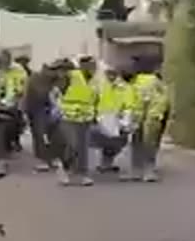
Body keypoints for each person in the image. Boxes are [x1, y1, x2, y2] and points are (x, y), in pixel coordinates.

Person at [58, 56, 98, 187]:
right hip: (69, 116)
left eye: (94, 66)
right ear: (82, 66)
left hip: (85, 118)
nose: (93, 69)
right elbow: (59, 90)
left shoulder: (94, 80)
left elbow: (95, 97)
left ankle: (82, 174)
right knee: (72, 145)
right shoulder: (72, 76)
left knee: (82, 147)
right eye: (90, 66)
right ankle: (65, 169)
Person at [130, 57, 171, 182]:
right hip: (152, 117)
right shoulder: (157, 82)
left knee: (136, 142)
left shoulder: (133, 81)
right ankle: (149, 170)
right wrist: (157, 115)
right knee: (150, 143)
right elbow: (162, 100)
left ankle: (136, 170)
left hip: (136, 116)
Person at [95, 65, 137, 178]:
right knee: (106, 141)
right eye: (108, 73)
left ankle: (106, 163)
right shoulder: (102, 86)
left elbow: (129, 104)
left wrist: (126, 120)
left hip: (116, 118)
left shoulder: (124, 88)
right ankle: (105, 163)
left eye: (112, 73)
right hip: (103, 117)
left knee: (116, 142)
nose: (110, 76)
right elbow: (96, 98)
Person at [24, 61, 63, 171]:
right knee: (40, 135)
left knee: (55, 134)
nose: (55, 72)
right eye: (52, 70)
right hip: (36, 109)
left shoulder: (58, 79)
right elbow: (33, 94)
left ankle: (54, 157)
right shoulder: (36, 78)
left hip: (52, 109)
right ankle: (42, 160)